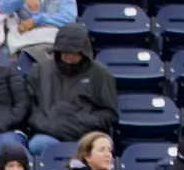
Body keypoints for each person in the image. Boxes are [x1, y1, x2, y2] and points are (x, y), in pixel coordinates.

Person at [24, 22, 116, 156]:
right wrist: (51, 124)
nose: (69, 56)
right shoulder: (40, 70)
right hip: (49, 134)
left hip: (88, 135)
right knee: (38, 145)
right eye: (65, 51)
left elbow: (109, 114)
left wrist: (76, 123)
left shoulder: (100, 74)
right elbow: (30, 107)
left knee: (100, 149)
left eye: (74, 52)